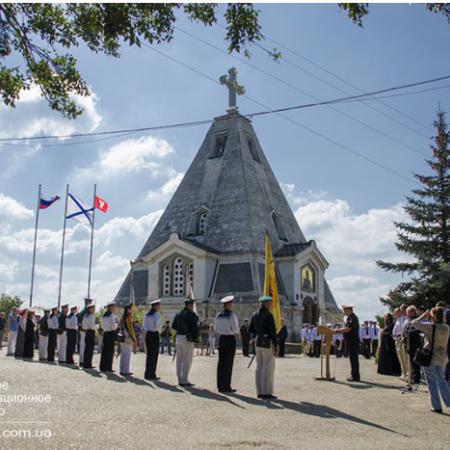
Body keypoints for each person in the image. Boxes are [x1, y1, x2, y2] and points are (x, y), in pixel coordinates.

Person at [412, 307, 450, 413]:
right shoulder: (446, 327)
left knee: (432, 382)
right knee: (442, 381)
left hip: (430, 357)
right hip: (443, 356)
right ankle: (448, 401)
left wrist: (424, 315)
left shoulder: (431, 327)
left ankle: (436, 406)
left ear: (433, 316)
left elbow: (414, 323)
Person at [249, 295, 278, 400]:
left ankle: (260, 391)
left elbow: (250, 329)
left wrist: (257, 335)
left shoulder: (254, 315)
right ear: (265, 303)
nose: (271, 305)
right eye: (270, 303)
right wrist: (276, 344)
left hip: (258, 341)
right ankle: (266, 392)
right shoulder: (269, 315)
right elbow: (272, 332)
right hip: (267, 342)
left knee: (259, 366)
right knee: (268, 367)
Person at [214, 296, 240, 393]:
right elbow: (236, 329)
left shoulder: (218, 315)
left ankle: (220, 385)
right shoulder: (232, 315)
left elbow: (216, 329)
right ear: (228, 304)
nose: (232, 305)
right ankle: (226, 386)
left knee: (221, 363)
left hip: (221, 339)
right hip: (229, 339)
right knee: (228, 363)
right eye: (232, 303)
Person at [172, 298, 199, 387]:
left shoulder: (178, 314)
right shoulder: (192, 315)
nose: (192, 307)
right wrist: (197, 339)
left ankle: (180, 379)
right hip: (187, 339)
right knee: (187, 360)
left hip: (179, 337)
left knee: (179, 360)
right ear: (190, 305)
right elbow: (195, 328)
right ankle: (184, 380)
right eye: (192, 305)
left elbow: (174, 326)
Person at [334, 305, 360, 382]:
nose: (344, 312)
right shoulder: (350, 318)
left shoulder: (352, 318)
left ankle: (355, 376)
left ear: (349, 310)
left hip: (353, 341)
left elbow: (347, 329)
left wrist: (336, 331)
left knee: (353, 359)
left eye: (345, 310)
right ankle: (354, 375)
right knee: (352, 359)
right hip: (350, 341)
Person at [403, 305, 422, 386]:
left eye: (407, 312)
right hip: (409, 344)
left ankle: (416, 378)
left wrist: (406, 333)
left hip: (414, 344)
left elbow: (414, 331)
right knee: (411, 362)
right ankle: (413, 377)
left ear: (412, 312)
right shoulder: (409, 320)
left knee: (415, 362)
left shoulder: (416, 320)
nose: (406, 314)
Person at [143, 300, 161, 380]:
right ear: (155, 306)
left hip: (148, 334)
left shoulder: (147, 315)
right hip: (154, 334)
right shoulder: (156, 314)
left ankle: (147, 373)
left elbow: (144, 326)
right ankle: (152, 374)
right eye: (158, 305)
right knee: (154, 355)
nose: (159, 307)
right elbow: (157, 325)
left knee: (149, 355)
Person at [100, 302, 118, 373]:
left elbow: (102, 325)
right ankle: (108, 367)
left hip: (105, 333)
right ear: (110, 307)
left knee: (104, 351)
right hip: (111, 333)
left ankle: (103, 367)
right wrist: (116, 325)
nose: (114, 308)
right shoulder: (111, 316)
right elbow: (113, 326)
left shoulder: (104, 315)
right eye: (113, 307)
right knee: (110, 351)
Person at [119, 304, 137, 376]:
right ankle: (126, 370)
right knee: (127, 354)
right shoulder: (129, 317)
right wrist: (133, 338)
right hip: (127, 336)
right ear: (128, 309)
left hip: (122, 335)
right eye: (130, 309)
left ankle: (122, 369)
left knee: (123, 354)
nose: (131, 310)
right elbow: (130, 329)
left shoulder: (122, 316)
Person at [393, 306, 408, 380]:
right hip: (397, 339)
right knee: (401, 357)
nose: (394, 314)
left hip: (400, 339)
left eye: (395, 312)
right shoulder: (398, 319)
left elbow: (403, 329)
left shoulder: (403, 319)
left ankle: (406, 374)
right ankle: (403, 373)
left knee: (404, 357)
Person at [81, 303, 96, 369]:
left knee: (87, 348)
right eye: (93, 308)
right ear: (90, 309)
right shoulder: (92, 316)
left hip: (87, 332)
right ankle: (88, 364)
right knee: (90, 349)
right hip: (91, 332)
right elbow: (93, 326)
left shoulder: (85, 316)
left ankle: (85, 363)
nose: (94, 310)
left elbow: (83, 325)